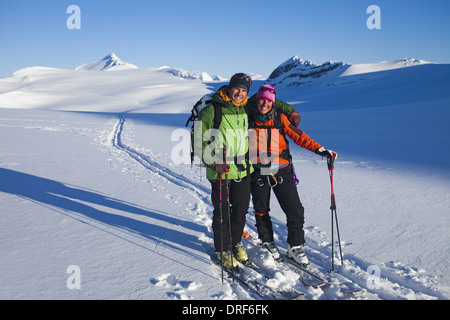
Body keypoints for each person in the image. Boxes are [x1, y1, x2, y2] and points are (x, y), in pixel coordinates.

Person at [248, 84, 338, 265]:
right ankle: (267, 242)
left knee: (295, 209)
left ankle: (295, 246)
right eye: (262, 100)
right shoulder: (247, 119)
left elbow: (300, 136)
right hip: (257, 169)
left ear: (273, 103)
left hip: (280, 168)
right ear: (256, 100)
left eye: (268, 101)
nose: (264, 104)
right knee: (261, 208)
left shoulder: (280, 119)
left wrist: (320, 150)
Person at [195, 73, 254, 268]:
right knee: (222, 211)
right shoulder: (212, 110)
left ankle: (235, 242)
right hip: (220, 169)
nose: (240, 93)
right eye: (237, 88)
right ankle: (222, 248)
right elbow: (197, 139)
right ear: (229, 88)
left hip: (242, 170)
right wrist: (213, 163)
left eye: (244, 90)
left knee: (241, 210)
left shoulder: (245, 109)